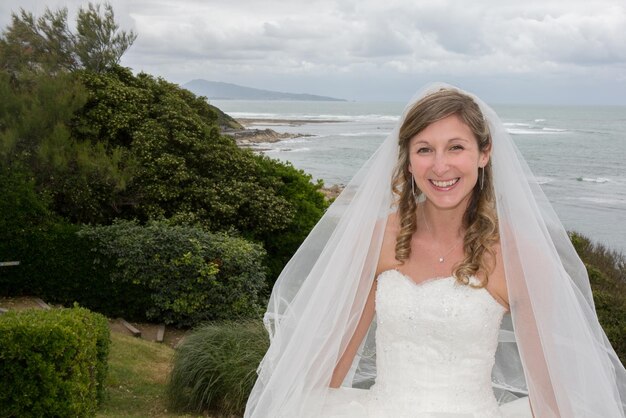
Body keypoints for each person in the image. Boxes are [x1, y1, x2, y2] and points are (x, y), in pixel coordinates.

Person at [244, 84, 626, 418]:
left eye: (456, 147)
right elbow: (333, 362)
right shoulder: (379, 239)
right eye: (425, 149)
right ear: (408, 161)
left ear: (484, 153)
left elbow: (551, 392)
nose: (440, 166)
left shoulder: (518, 256)